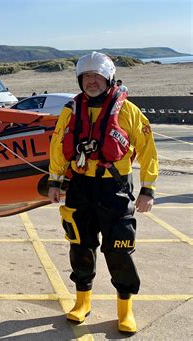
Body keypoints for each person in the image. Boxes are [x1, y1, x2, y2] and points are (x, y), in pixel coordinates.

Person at [47, 52, 158, 334]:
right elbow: (59, 146)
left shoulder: (129, 111)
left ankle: (125, 308)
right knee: (80, 245)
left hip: (114, 188)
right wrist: (55, 181)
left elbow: (147, 151)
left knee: (120, 247)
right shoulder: (71, 110)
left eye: (97, 76)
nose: (91, 82)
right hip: (81, 187)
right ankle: (82, 302)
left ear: (108, 78)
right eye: (86, 77)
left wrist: (148, 188)